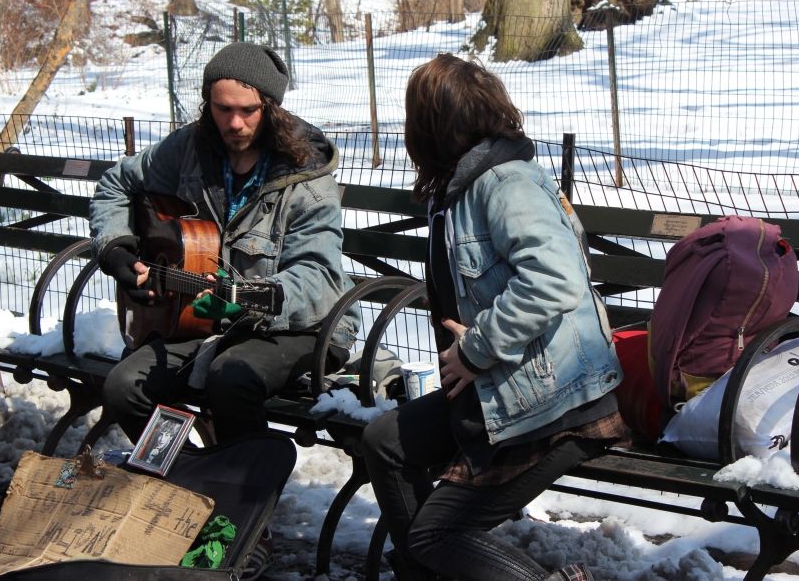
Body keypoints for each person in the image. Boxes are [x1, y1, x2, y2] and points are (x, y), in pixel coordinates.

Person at [362, 54, 627, 581]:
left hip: (557, 404)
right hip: (500, 388)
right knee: (384, 441)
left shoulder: (505, 184)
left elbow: (554, 279)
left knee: (435, 534)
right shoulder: (461, 187)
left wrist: (475, 349)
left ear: (431, 127)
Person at [91, 41, 358, 448]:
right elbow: (116, 183)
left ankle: (245, 479)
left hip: (302, 327)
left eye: (248, 110)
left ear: (271, 107)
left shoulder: (306, 177)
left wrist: (246, 297)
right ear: (207, 104)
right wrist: (116, 250)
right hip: (204, 321)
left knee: (231, 378)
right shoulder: (189, 149)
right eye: (222, 108)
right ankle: (187, 472)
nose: (234, 123)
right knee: (124, 387)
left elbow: (317, 276)